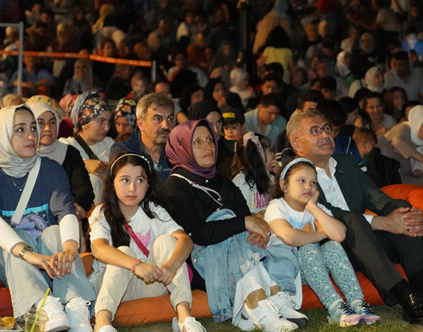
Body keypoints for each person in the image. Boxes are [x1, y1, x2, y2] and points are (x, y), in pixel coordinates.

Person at [288, 110, 423, 324]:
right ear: (297, 144)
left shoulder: (346, 163)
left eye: (327, 129)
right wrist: (382, 222)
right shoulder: (295, 176)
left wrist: (402, 214)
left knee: (400, 207)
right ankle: (405, 295)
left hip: (367, 248)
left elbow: (376, 197)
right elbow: (328, 213)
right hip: (330, 253)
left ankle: (422, 288)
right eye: (314, 131)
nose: (324, 135)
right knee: (352, 220)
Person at [159, 120, 305, 331]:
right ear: (182, 148)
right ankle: (261, 307)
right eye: (197, 142)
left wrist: (258, 231)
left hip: (238, 253)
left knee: (276, 235)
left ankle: (275, 299)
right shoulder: (174, 186)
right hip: (202, 263)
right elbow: (198, 234)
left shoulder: (221, 180)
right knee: (223, 220)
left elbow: (246, 219)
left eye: (209, 139)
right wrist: (245, 222)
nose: (208, 146)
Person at [0, 105, 96, 330]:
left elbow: (66, 212)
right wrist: (29, 255)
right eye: (20, 130)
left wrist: (71, 247)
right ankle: (43, 305)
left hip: (51, 259)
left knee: (54, 232)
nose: (32, 135)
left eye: (33, 127)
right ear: (1, 135)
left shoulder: (50, 169)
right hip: (9, 258)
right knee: (17, 234)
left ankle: (75, 305)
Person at [89, 153, 206, 332]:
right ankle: (103, 323)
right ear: (112, 182)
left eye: (139, 180)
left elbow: (185, 240)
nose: (132, 188)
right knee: (123, 252)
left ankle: (185, 318)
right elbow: (99, 249)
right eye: (125, 180)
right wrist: (136, 265)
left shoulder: (153, 211)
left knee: (167, 241)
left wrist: (170, 266)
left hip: (148, 285)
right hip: (111, 285)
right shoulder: (102, 213)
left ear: (148, 184)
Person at [265, 158, 381, 326]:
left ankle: (357, 303)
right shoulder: (277, 206)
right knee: (307, 248)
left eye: (313, 183)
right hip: (290, 271)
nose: (308, 187)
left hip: (315, 270)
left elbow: (340, 234)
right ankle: (335, 308)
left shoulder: (316, 208)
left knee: (333, 246)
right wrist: (320, 234)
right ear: (284, 185)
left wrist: (312, 207)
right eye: (301, 181)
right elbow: (289, 237)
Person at [28, 101, 94, 220]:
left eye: (52, 122)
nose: (48, 128)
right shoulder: (21, 155)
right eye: (40, 123)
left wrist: (72, 206)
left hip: (68, 215)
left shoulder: (69, 152)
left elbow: (84, 191)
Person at [62, 92, 115, 204]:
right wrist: (83, 163)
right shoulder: (66, 146)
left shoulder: (109, 143)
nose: (106, 128)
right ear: (84, 123)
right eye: (100, 121)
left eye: (108, 122)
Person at [111, 93, 176, 182]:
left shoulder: (178, 153)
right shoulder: (123, 152)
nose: (166, 126)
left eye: (170, 119)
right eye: (157, 119)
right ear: (141, 124)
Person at [379, 105, 423, 184]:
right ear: (416, 122)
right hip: (389, 178)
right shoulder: (403, 129)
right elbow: (398, 142)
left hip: (408, 178)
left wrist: (419, 169)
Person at [231, 133, 276, 215]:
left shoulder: (272, 177)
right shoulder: (241, 182)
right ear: (259, 156)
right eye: (270, 151)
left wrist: (281, 175)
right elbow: (240, 214)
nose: (273, 155)